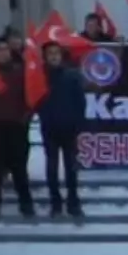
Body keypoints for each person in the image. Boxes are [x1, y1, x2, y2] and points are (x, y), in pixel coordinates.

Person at [0, 38, 36, 218]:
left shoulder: (20, 71)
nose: (2, 53)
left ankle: (26, 203)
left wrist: (26, 116)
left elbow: (30, 94)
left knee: (19, 167)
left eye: (5, 49)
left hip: (16, 125)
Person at [38, 43, 86, 218]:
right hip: (49, 127)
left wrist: (79, 123)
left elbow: (80, 101)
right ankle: (55, 202)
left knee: (71, 167)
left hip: (69, 127)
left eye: (56, 53)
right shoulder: (39, 76)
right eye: (50, 53)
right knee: (51, 167)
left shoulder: (72, 75)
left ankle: (73, 201)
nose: (54, 56)